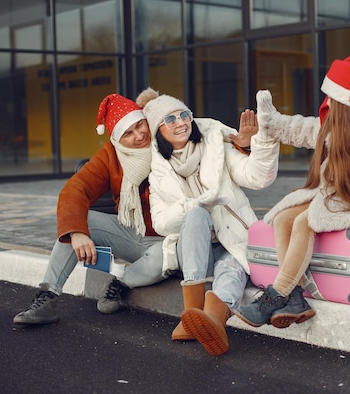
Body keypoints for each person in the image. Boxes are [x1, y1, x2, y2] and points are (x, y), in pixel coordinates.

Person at [13, 93, 255, 325]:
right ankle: (48, 297)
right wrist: (77, 233)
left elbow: (211, 140)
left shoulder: (168, 142)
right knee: (76, 223)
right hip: (130, 234)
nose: (139, 135)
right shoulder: (111, 155)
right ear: (117, 139)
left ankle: (121, 283)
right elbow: (76, 188)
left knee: (161, 256)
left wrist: (245, 145)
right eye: (128, 133)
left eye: (141, 125)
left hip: (171, 239)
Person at [233, 55, 350, 329]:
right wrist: (270, 120)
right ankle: (295, 299)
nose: (327, 103)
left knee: (304, 221)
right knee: (284, 218)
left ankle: (277, 294)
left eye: (332, 97)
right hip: (330, 195)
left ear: (346, 100)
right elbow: (299, 129)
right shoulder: (333, 125)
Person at [138, 87, 280, 356]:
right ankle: (190, 312)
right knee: (196, 215)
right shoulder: (158, 172)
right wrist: (197, 205)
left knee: (233, 266)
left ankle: (214, 319)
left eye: (184, 115)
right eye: (170, 119)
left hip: (228, 239)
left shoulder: (216, 146)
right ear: (159, 130)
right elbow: (160, 223)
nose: (180, 123)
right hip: (192, 250)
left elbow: (258, 177)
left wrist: (256, 144)